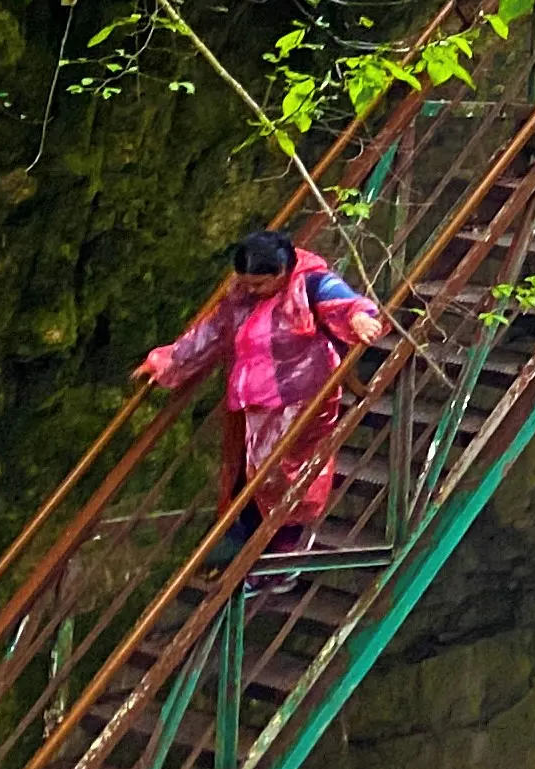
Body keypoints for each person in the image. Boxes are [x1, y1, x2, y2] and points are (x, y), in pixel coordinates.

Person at [138, 225, 387, 547]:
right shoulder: (241, 295)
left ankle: (283, 554)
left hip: (300, 402)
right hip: (254, 404)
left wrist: (360, 318)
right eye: (246, 283)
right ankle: (249, 557)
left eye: (259, 283)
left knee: (287, 478)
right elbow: (213, 331)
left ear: (282, 272)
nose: (252, 290)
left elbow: (346, 303)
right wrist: (168, 361)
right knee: (248, 478)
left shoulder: (310, 283)